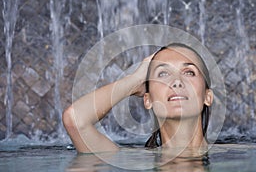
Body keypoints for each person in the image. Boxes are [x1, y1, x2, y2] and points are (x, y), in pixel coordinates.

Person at [62, 43, 213, 153]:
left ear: (207, 96)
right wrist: (134, 81)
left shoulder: (233, 155)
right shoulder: (130, 160)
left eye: (189, 72)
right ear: (148, 100)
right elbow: (75, 119)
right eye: (163, 74)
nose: (177, 81)